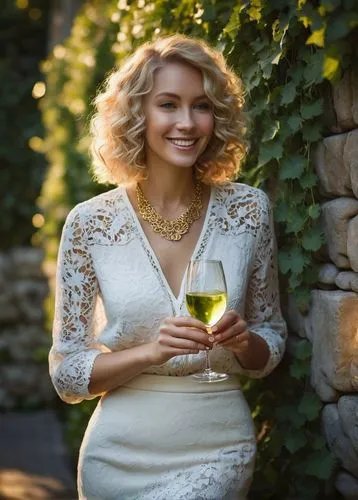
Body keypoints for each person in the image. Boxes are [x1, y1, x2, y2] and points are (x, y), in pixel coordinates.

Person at [49, 34, 287, 500]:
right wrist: (152, 352)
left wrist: (244, 342)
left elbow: (272, 341)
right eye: (168, 105)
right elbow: (68, 374)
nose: (187, 122)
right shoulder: (89, 223)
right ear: (138, 114)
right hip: (116, 455)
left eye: (201, 106)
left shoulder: (249, 211)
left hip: (218, 445)